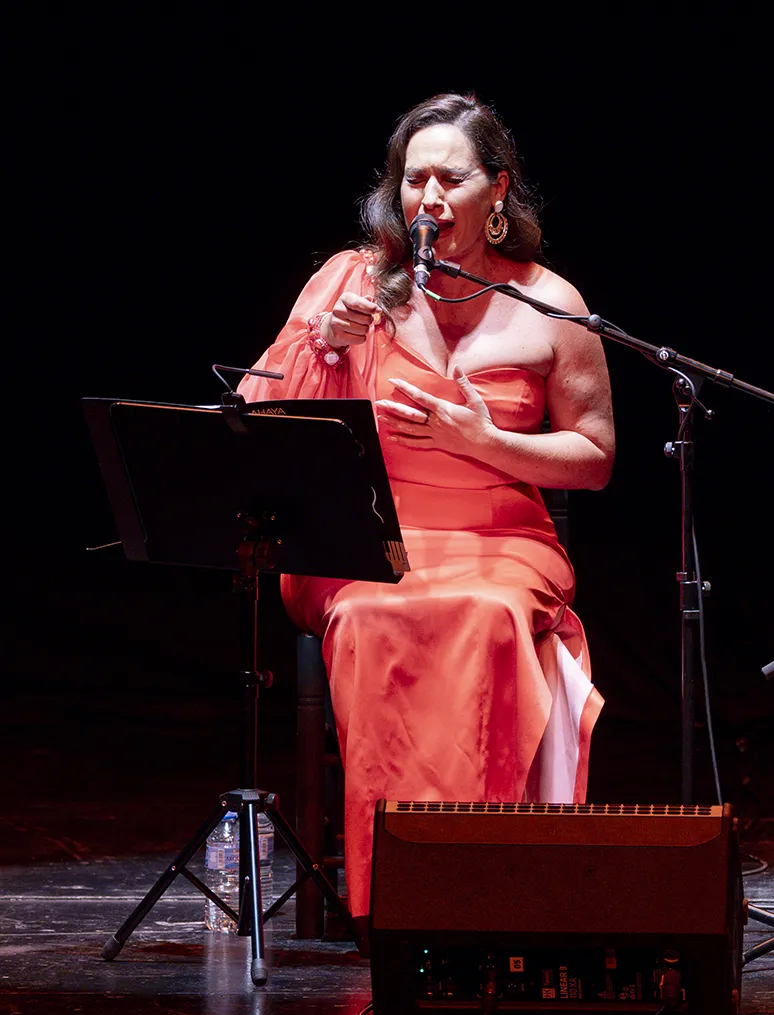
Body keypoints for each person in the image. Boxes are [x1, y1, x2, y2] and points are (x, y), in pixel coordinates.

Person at [238, 93, 616, 947]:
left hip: (502, 540)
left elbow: (594, 458)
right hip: (367, 538)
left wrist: (485, 441)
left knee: (485, 614)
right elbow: (256, 416)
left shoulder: (551, 301)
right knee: (376, 615)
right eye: (414, 180)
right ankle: (399, 897)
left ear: (499, 190)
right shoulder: (351, 279)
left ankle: (478, 882)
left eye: (452, 178)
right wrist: (324, 344)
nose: (430, 198)